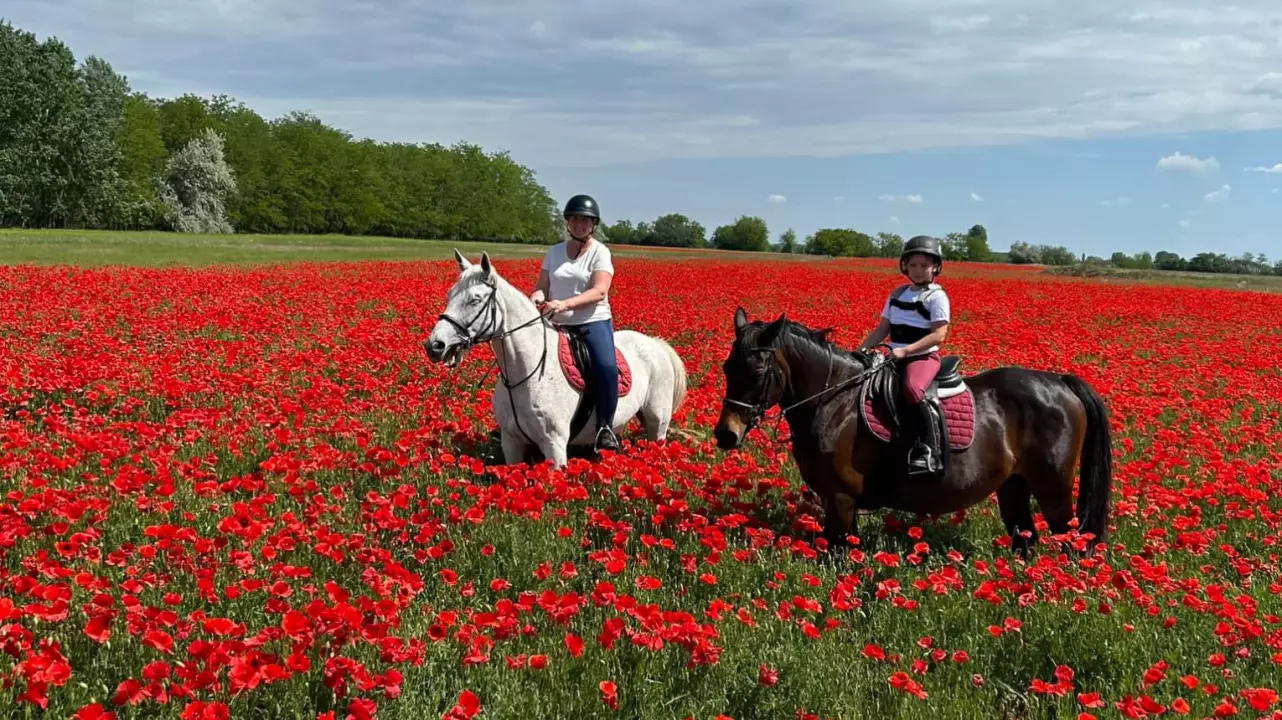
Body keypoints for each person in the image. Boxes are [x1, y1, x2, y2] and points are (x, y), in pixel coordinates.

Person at [529, 194, 621, 453]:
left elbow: (599, 291)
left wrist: (564, 304)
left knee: (605, 367)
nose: (580, 224)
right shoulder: (554, 252)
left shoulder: (600, 253)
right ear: (568, 222)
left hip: (591, 321)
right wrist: (535, 299)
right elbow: (542, 287)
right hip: (556, 323)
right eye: (575, 219)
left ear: (593, 224)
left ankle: (605, 427)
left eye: (585, 220)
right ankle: (517, 422)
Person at [858, 235, 952, 476]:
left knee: (912, 389)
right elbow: (882, 329)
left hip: (921, 357)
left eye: (924, 265)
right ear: (905, 267)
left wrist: (906, 351)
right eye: (913, 265)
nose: (918, 270)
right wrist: (862, 349)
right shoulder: (897, 294)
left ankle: (929, 449)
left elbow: (939, 335)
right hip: (893, 354)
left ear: (935, 267)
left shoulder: (936, 296)